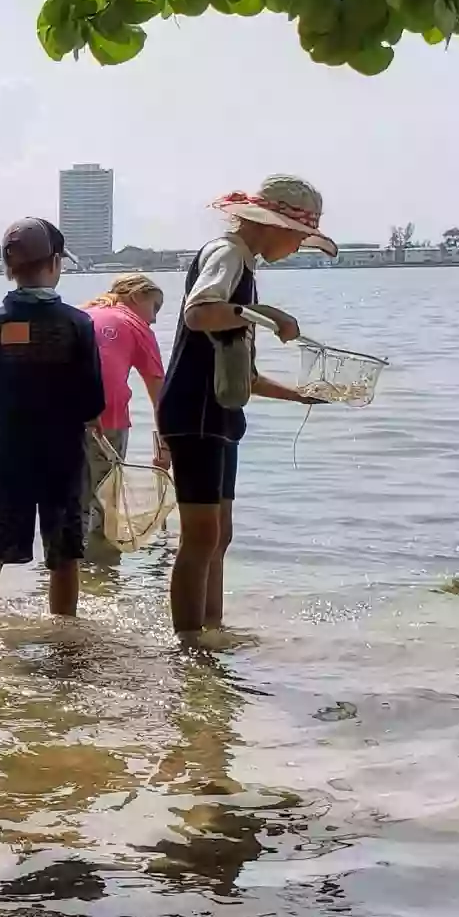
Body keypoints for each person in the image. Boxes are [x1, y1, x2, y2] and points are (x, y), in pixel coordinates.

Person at [158, 175, 331, 640]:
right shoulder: (227, 253)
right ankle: (191, 646)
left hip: (219, 411)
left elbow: (242, 376)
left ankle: (213, 629)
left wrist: (297, 394)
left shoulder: (246, 269)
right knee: (200, 536)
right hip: (194, 410)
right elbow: (200, 312)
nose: (297, 248)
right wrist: (268, 315)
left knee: (220, 535)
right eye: (298, 238)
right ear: (271, 225)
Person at [0, 218, 105, 634]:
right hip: (62, 460)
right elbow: (93, 401)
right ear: (56, 263)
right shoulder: (78, 325)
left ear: (8, 268)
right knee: (63, 557)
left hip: (7, 458)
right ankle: (63, 646)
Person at [81, 272, 168, 556]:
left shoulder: (80, 314)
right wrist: (166, 445)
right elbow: (160, 392)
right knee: (106, 506)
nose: (154, 318)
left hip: (56, 420)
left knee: (70, 505)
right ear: (136, 296)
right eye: (155, 307)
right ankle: (103, 578)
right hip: (107, 421)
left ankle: (65, 580)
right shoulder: (136, 325)